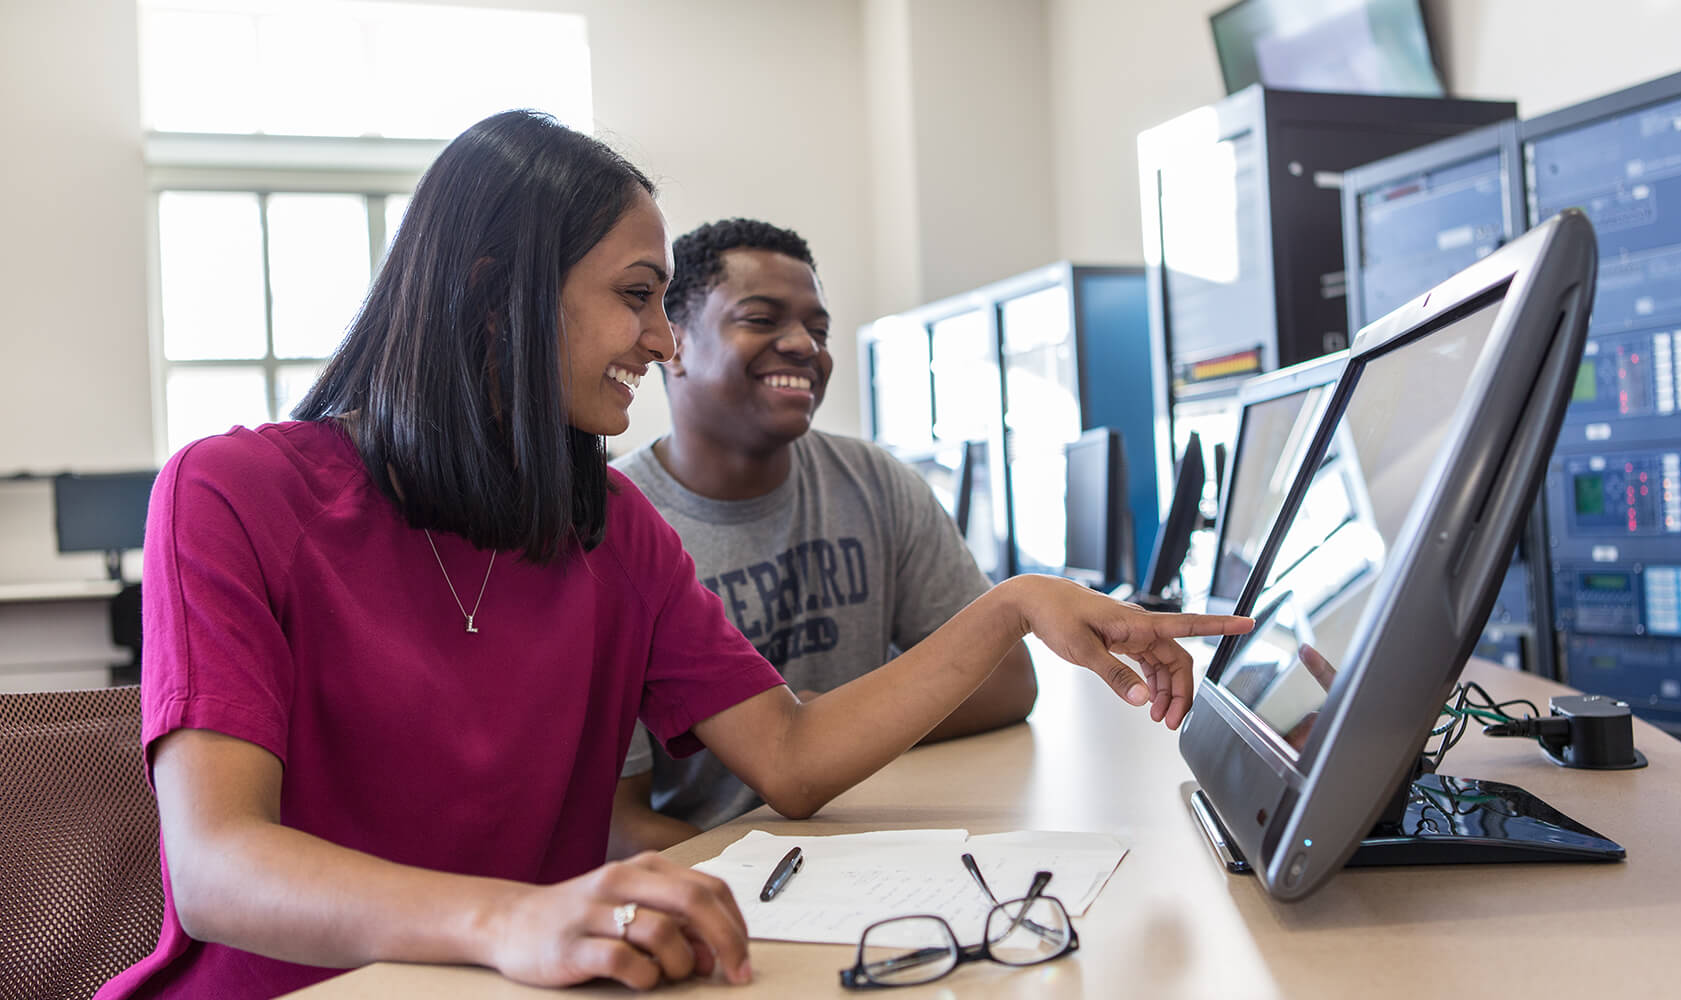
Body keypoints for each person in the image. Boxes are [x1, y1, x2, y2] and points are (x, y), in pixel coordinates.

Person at [97, 110, 1250, 999]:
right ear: (497, 297)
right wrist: (511, 919)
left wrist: (1011, 607)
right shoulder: (233, 492)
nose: (659, 341)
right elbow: (219, 867)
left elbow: (791, 754)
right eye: (638, 298)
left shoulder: (608, 528)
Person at [607, 219, 1037, 855]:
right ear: (673, 345)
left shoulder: (872, 481)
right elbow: (617, 825)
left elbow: (1006, 682)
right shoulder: (618, 527)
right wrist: (767, 873)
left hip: (866, 839)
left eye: (819, 328)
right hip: (737, 869)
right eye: (760, 318)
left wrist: (828, 719)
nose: (804, 345)